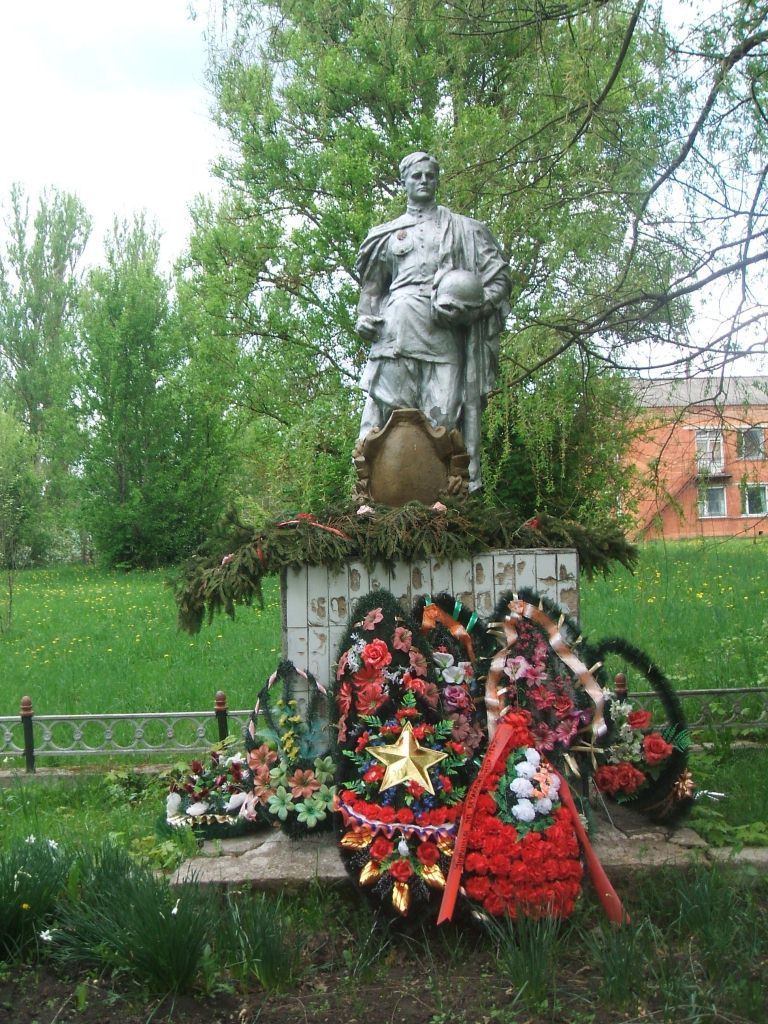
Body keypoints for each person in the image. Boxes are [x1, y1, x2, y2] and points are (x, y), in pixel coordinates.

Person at [355, 152, 511, 491]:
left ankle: (448, 500)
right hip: (396, 335)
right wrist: (364, 319)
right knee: (389, 422)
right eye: (417, 176)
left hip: (444, 337)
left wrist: (476, 308)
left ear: (437, 180)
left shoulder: (465, 229)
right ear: (404, 182)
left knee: (444, 422)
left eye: (430, 175)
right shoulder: (386, 235)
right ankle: (374, 496)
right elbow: (372, 290)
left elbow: (499, 280)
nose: (424, 180)